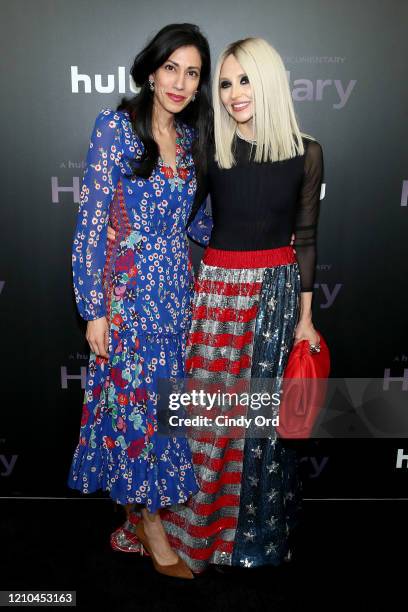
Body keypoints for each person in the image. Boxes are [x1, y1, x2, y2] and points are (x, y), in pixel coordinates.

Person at [108, 37, 324, 573]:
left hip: (274, 300)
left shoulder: (308, 151)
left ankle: (249, 537)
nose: (232, 94)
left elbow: (308, 240)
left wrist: (305, 320)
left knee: (259, 430)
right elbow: (169, 208)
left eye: (243, 80)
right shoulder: (211, 149)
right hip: (217, 295)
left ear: (269, 79)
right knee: (204, 422)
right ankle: (183, 531)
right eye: (224, 83)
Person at [67, 23, 213, 579]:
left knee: (162, 412)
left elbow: (198, 222)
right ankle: (152, 530)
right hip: (126, 298)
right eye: (171, 68)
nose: (180, 82)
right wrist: (93, 308)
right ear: (152, 71)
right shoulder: (117, 128)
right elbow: (91, 222)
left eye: (192, 73)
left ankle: (134, 523)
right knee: (140, 416)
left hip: (177, 295)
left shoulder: (194, 140)